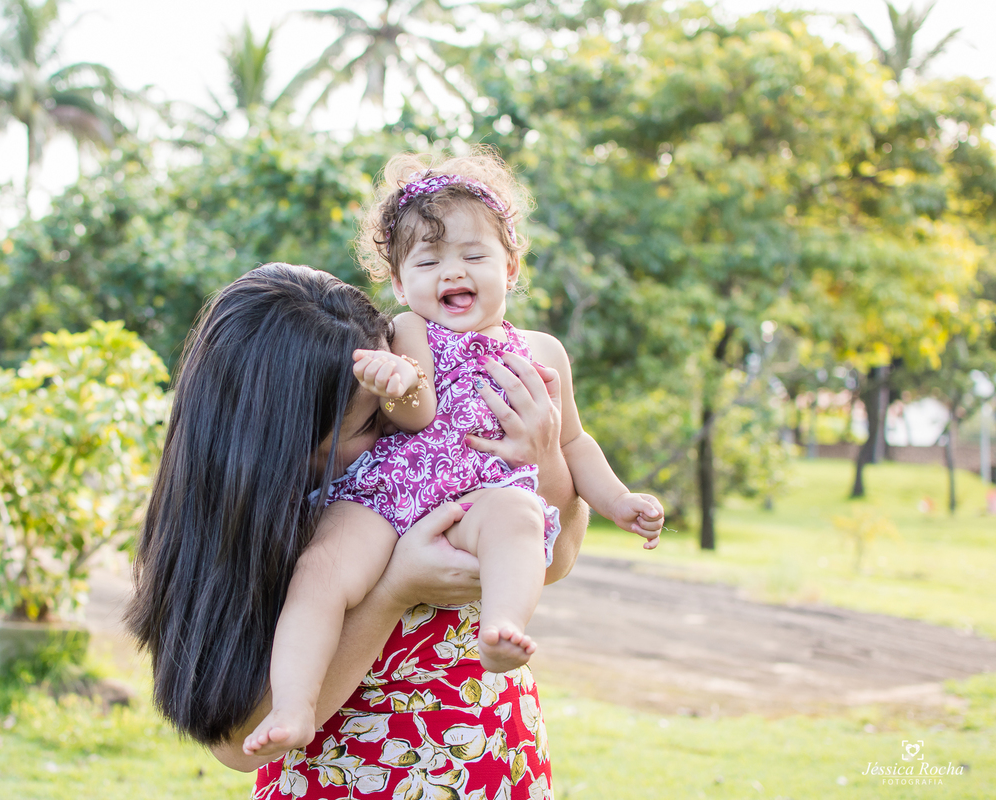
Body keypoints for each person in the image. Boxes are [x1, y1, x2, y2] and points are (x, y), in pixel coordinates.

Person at [245, 151, 665, 761]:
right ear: (399, 283)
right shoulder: (407, 331)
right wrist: (400, 383)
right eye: (428, 261)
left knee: (519, 520)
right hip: (390, 493)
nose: (452, 273)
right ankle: (292, 704)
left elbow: (572, 443)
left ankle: (502, 627)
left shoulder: (544, 351)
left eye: (473, 256)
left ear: (510, 267)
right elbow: (416, 414)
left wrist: (619, 500)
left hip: (481, 498)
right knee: (321, 569)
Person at [126, 262, 589, 797]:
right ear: (285, 442)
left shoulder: (423, 426)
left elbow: (555, 561)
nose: (402, 424)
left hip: (497, 767)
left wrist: (545, 455)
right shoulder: (268, 525)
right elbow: (235, 745)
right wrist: (393, 591)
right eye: (371, 421)